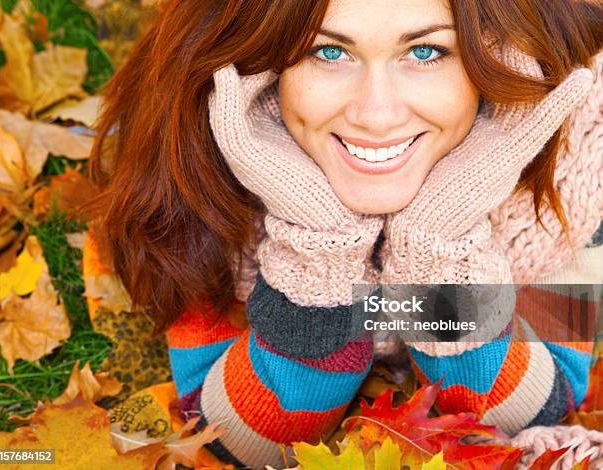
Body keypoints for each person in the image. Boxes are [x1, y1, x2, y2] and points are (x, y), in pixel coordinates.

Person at [85, 0, 603, 468]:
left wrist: (437, 257)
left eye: (425, 51)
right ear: (262, 69)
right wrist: (317, 249)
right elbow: (228, 436)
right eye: (327, 51)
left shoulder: (574, 159)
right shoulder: (203, 167)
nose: (376, 115)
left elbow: (548, 399)